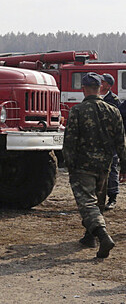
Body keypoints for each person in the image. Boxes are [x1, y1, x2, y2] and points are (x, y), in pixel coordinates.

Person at [63, 72, 126, 258]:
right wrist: (124, 167)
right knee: (97, 202)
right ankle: (89, 237)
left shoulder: (77, 111)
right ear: (100, 88)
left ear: (83, 89)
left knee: (87, 203)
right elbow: (121, 142)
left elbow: (69, 142)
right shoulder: (113, 110)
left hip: (83, 165)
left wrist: (69, 165)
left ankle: (103, 236)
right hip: (104, 166)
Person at [100, 73, 121, 210]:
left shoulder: (113, 100)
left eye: (102, 82)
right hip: (97, 139)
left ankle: (112, 197)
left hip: (110, 140)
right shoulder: (94, 97)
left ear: (107, 85)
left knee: (112, 168)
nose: (100, 84)